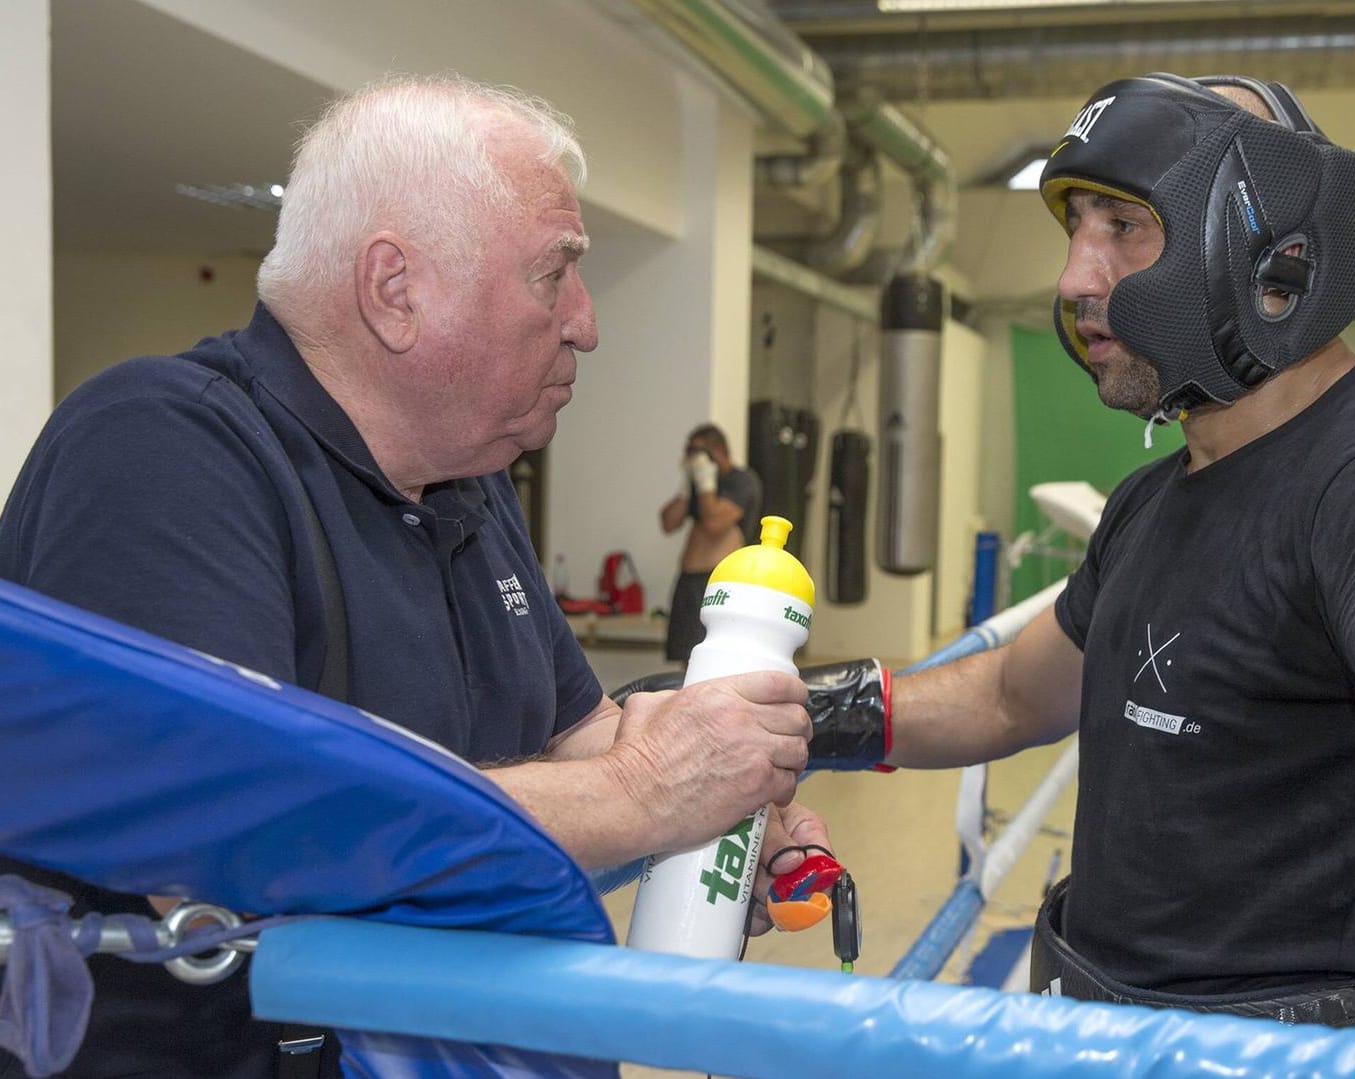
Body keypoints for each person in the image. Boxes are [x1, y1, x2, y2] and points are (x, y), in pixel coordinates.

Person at [0, 74, 826, 1079]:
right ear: (396, 290)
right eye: (552, 272)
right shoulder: (162, 447)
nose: (585, 321)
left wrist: (728, 781)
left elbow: (575, 732)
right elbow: (221, 851)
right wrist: (644, 789)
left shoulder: (469, 482)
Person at [788, 73, 1355, 1071]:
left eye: (1123, 226)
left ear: (1266, 254)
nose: (1074, 279)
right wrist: (792, 714)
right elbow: (1011, 695)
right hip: (1096, 1031)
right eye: (1074, 228)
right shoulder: (1154, 497)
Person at [658, 424, 762, 662]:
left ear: (717, 450)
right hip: (689, 583)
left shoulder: (741, 481)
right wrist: (686, 487)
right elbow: (668, 523)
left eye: (698, 450)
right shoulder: (698, 485)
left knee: (714, 657)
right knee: (688, 657)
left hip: (718, 582)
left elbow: (715, 524)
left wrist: (705, 482)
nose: (692, 456)